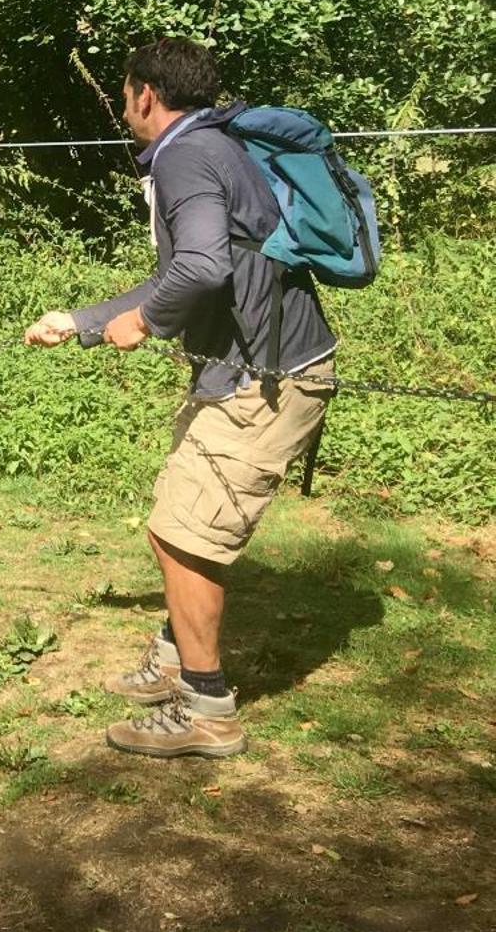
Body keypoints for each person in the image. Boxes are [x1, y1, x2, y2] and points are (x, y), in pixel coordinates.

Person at [24, 38, 335, 758]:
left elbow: (198, 265)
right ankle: (173, 658)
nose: (126, 104)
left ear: (144, 95)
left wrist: (147, 321)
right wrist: (87, 322)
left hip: (264, 381)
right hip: (243, 373)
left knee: (184, 535)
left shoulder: (186, 156)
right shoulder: (212, 143)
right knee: (178, 514)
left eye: (126, 92)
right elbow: (200, 267)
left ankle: (206, 707)